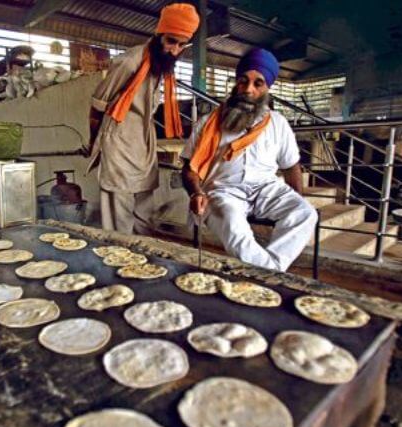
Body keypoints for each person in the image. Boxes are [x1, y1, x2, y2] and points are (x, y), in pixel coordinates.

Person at [180, 48, 317, 272]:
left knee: (305, 213)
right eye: (243, 82)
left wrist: (295, 199)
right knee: (234, 226)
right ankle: (270, 275)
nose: (248, 89)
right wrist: (196, 192)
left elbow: (291, 166)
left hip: (267, 189)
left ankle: (267, 270)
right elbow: (189, 169)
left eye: (257, 83)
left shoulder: (278, 123)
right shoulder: (208, 123)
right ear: (236, 84)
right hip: (223, 191)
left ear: (267, 88)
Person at [87, 3, 200, 235]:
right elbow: (97, 107)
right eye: (171, 41)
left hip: (144, 144)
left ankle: (144, 266)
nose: (175, 50)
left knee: (144, 219)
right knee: (119, 223)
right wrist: (93, 143)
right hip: (118, 143)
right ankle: (116, 265)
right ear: (158, 35)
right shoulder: (129, 62)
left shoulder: (161, 66)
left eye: (181, 44)